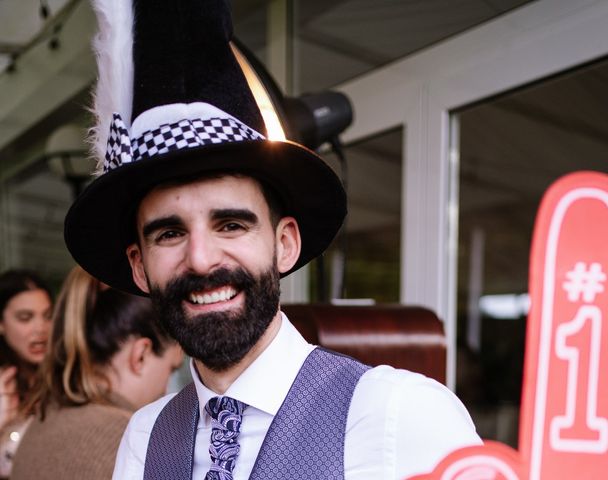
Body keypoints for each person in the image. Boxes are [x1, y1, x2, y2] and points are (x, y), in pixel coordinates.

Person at [63, 0, 482, 479]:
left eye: (232, 225)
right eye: (170, 233)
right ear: (138, 265)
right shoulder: (145, 436)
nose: (200, 259)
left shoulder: (399, 416)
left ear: (285, 243)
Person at [10, 266, 183, 479]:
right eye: (171, 369)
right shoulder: (134, 438)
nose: (166, 388)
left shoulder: (43, 420)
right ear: (141, 354)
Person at [0, 269, 52, 479]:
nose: (40, 328)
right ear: (1, 324)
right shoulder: (4, 387)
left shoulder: (66, 380)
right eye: (25, 318)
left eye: (48, 316)